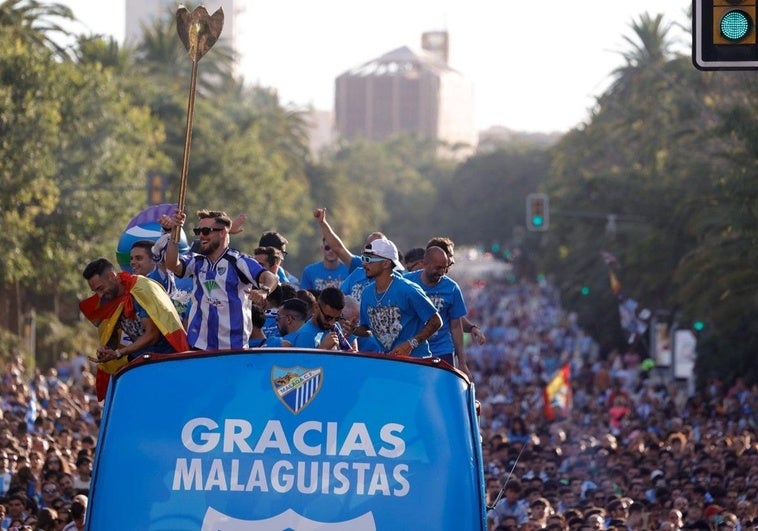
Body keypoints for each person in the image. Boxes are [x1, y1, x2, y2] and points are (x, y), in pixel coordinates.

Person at [164, 209, 279, 350]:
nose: (201, 236)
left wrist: (264, 290)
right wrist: (174, 232)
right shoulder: (197, 261)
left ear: (223, 232)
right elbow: (171, 264)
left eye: (206, 231)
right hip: (199, 346)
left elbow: (270, 277)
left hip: (233, 348)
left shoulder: (239, 261)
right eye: (198, 231)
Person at [79, 258, 190, 400]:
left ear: (112, 276)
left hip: (166, 360)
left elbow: (152, 335)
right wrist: (107, 350)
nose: (100, 295)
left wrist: (119, 353)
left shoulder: (140, 289)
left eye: (101, 288)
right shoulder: (110, 300)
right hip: (141, 363)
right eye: (95, 291)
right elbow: (114, 335)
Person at [355, 238, 442, 357]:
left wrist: (411, 344)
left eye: (368, 259)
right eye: (363, 258)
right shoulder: (366, 293)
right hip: (390, 363)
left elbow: (436, 321)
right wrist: (351, 329)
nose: (364, 264)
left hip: (417, 363)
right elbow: (366, 328)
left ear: (386, 263)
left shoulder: (408, 289)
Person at [404, 246, 471, 376]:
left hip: (442, 350)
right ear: (424, 264)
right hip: (414, 349)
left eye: (445, 268)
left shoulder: (452, 288)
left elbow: (456, 326)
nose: (442, 272)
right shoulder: (407, 282)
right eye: (438, 267)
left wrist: (462, 363)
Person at [289, 287, 355, 351]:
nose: (332, 323)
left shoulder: (335, 327)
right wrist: (323, 349)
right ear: (316, 307)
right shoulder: (304, 336)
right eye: (328, 317)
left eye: (337, 318)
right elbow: (303, 362)